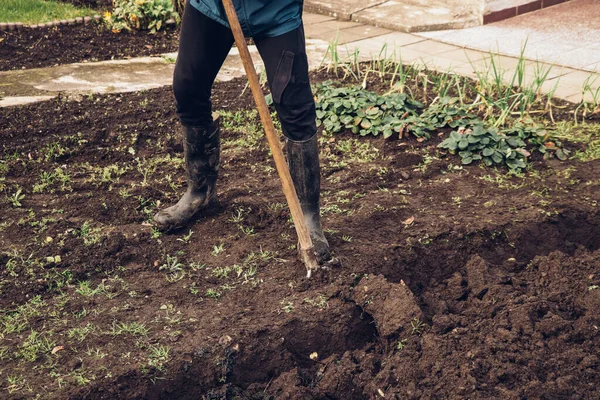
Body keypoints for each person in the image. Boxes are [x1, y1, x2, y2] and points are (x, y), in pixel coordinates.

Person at [153, 0, 331, 263]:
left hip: (276, 10)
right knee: (188, 87)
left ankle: (308, 218)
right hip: (213, 7)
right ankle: (199, 193)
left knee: (294, 104)